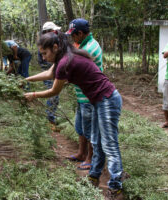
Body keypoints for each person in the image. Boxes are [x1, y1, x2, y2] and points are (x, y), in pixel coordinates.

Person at [24, 32, 125, 199]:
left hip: (107, 100)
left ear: (55, 47)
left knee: (109, 144)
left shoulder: (65, 61)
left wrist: (33, 95)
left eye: (44, 53)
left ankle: (115, 186)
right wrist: (27, 80)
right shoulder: (64, 57)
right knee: (96, 141)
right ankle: (93, 176)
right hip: (99, 101)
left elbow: (54, 90)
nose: (43, 57)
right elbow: (49, 74)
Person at [65, 18, 103, 170]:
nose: (72, 38)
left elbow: (73, 65)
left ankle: (91, 158)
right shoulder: (82, 44)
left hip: (90, 96)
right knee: (80, 127)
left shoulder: (90, 48)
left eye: (73, 35)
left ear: (80, 33)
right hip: (82, 95)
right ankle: (81, 153)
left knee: (90, 130)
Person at [38, 22, 61, 128]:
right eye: (53, 31)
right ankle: (50, 119)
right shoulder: (45, 43)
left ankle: (50, 117)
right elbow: (49, 71)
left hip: (51, 70)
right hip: (49, 69)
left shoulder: (52, 42)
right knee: (53, 94)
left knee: (54, 95)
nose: (55, 33)